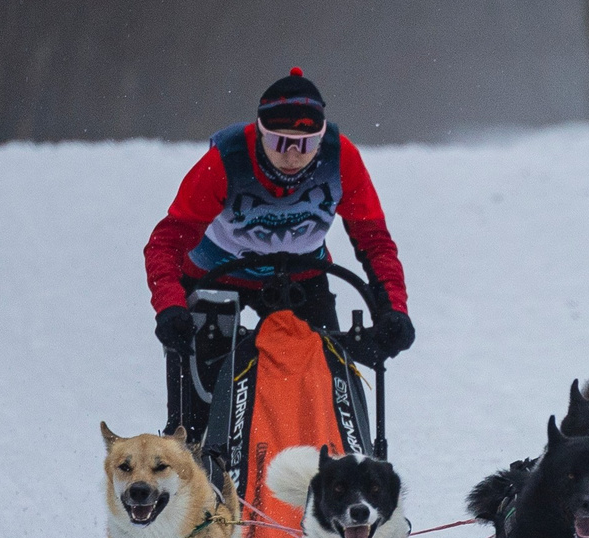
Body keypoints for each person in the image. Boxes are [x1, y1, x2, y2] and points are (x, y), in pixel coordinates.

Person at [144, 68, 414, 370]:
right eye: (280, 143)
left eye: (307, 144)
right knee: (200, 388)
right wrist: (170, 305)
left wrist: (394, 309)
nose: (293, 157)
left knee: (327, 380)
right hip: (215, 276)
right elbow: (166, 243)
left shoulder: (341, 159)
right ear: (260, 134)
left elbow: (375, 242)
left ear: (322, 139)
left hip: (302, 275)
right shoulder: (224, 162)